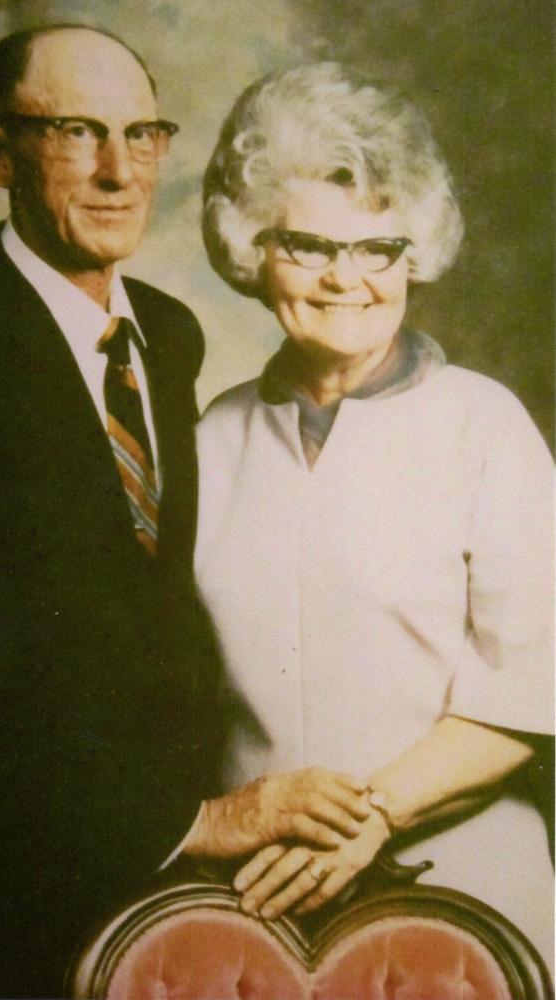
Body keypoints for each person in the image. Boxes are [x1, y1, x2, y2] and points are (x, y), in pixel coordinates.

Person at [186, 63, 554, 969]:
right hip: (251, 905)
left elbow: (533, 684)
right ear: (249, 246)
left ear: (412, 253)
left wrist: (374, 815)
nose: (344, 278)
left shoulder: (483, 425)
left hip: (460, 895)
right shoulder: (211, 437)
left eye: (377, 248)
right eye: (308, 245)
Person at [0, 24, 225, 998]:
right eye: (77, 132)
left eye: (141, 134)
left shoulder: (169, 334)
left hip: (164, 903)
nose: (119, 172)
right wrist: (187, 823)